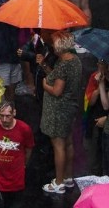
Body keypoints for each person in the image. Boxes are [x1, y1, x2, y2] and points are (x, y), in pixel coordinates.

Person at [38, 32, 85, 194]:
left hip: (58, 110)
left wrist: (44, 85)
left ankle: (58, 183)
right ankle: (68, 177)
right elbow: (57, 77)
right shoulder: (75, 61)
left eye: (54, 43)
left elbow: (57, 90)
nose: (52, 46)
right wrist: (44, 66)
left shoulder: (64, 64)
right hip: (71, 108)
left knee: (58, 145)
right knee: (69, 142)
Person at [0, 100, 33, 204]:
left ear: (14, 113)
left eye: (8, 116)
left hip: (15, 178)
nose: (4, 119)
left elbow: (28, 149)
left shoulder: (24, 129)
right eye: (1, 115)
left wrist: (23, 164)